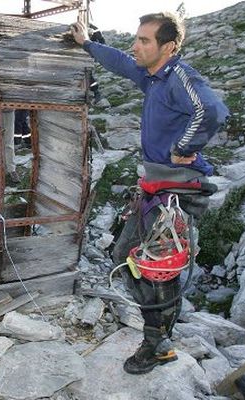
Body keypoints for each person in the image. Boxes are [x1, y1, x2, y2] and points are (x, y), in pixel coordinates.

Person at [72, 12, 229, 374]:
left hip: (177, 189)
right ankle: (156, 328)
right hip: (155, 187)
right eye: (137, 38)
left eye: (145, 41)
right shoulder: (151, 76)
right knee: (126, 255)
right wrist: (87, 44)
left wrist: (183, 146)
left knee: (160, 270)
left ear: (169, 47)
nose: (136, 46)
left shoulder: (180, 77)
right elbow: (122, 63)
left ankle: (158, 344)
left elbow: (213, 111)